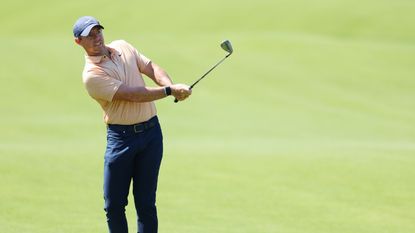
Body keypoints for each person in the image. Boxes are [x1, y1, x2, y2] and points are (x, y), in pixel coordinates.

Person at [73, 16, 192, 233]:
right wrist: (169, 92)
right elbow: (131, 95)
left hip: (151, 135)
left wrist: (170, 85)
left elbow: (151, 67)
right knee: (114, 205)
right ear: (78, 42)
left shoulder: (122, 46)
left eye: (98, 31)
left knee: (146, 203)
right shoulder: (92, 75)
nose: (96, 37)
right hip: (121, 139)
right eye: (89, 35)